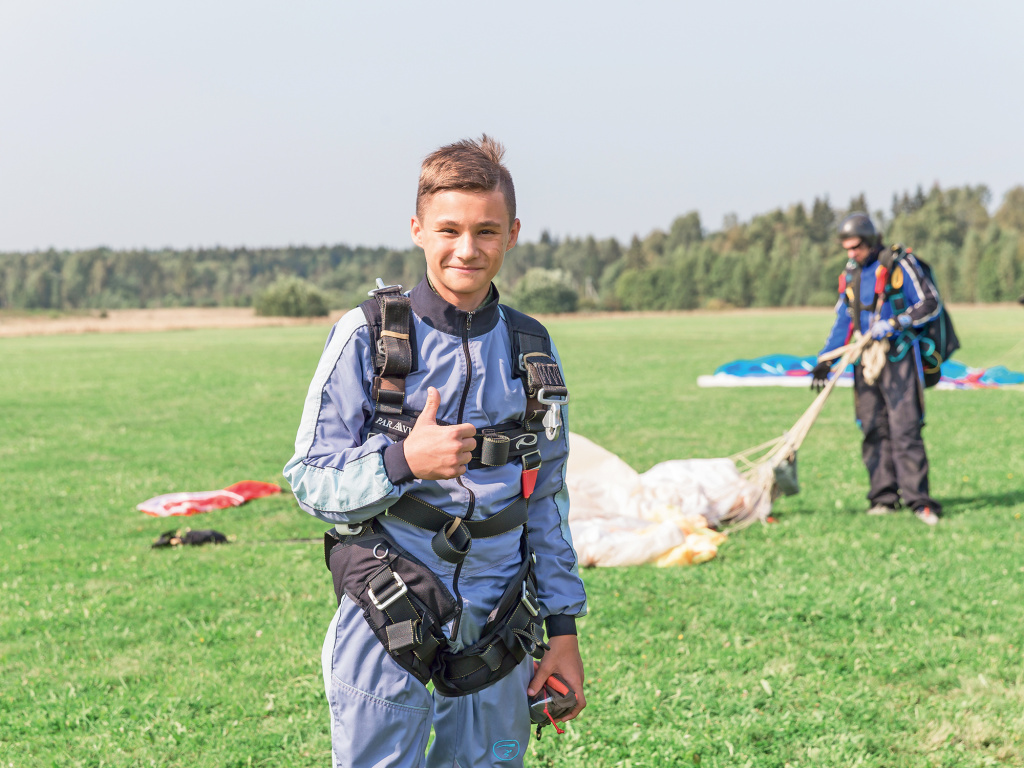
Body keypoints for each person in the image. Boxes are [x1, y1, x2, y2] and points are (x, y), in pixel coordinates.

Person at [283, 135, 587, 767]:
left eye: (486, 230)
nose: (466, 249)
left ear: (512, 233)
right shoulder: (366, 336)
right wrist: (402, 463)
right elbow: (310, 480)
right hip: (392, 600)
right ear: (419, 229)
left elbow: (548, 498)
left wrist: (562, 631)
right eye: (449, 229)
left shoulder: (532, 348)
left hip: (499, 613)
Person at [811, 212, 943, 526]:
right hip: (864, 362)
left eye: (856, 247)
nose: (851, 253)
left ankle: (919, 501)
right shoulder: (851, 273)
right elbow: (844, 318)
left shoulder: (900, 265)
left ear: (870, 241)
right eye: (846, 248)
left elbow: (929, 303)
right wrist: (826, 359)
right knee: (872, 428)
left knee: (905, 429)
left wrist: (896, 323)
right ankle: (883, 498)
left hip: (898, 357)